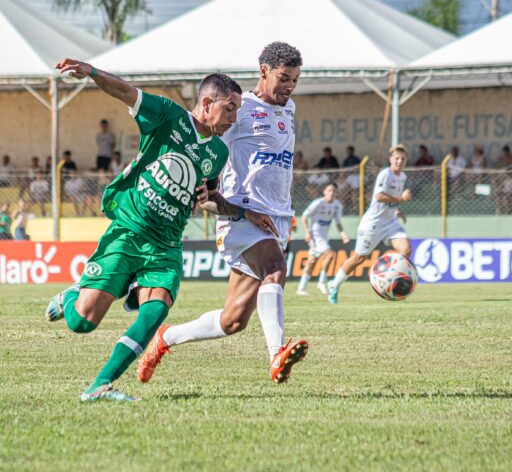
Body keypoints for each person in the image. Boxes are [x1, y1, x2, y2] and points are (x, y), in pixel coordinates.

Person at [45, 57, 240, 403]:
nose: (233, 119)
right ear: (207, 103)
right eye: (229, 109)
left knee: (156, 309)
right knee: (83, 323)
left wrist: (219, 202)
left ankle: (99, 385)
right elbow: (124, 91)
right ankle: (71, 297)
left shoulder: (218, 152)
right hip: (131, 230)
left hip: (166, 246)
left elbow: (208, 197)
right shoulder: (168, 115)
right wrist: (91, 72)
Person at [136, 42, 309, 386]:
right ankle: (276, 354)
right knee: (275, 269)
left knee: (233, 321)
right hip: (241, 219)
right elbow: (208, 171)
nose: (290, 86)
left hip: (276, 219)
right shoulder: (239, 111)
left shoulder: (288, 110)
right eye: (284, 78)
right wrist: (237, 209)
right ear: (264, 71)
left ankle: (165, 339)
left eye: (295, 80)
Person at [327, 145, 412, 305]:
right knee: (358, 258)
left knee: (406, 250)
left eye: (403, 158)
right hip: (372, 224)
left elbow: (390, 200)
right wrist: (401, 199)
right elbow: (379, 196)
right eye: (397, 158)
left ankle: (389, 279)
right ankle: (334, 285)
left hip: (390, 223)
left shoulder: (402, 177)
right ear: (391, 159)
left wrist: (396, 211)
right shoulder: (385, 174)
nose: (399, 161)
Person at [296, 183, 350, 296]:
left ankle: (301, 288)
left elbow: (338, 223)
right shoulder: (318, 203)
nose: (332, 193)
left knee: (311, 261)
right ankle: (321, 282)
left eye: (334, 191)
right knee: (330, 255)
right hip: (315, 235)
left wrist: (343, 234)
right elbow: (304, 216)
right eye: (329, 190)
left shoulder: (337, 205)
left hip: (324, 237)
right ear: (324, 192)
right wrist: (307, 232)